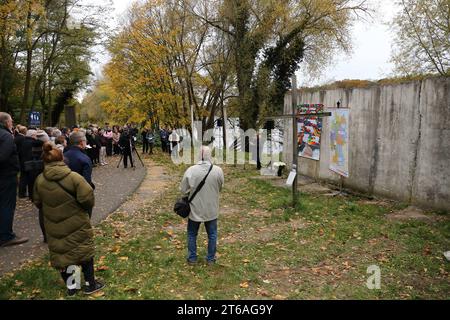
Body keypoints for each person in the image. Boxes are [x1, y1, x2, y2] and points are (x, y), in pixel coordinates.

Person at [33, 142, 105, 296]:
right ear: (62, 159)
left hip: (54, 224)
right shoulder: (74, 178)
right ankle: (89, 284)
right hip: (77, 221)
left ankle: (72, 286)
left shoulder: (39, 180)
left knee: (64, 254)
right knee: (83, 251)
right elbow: (88, 199)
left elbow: (37, 202)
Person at [180, 146, 224, 265]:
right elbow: (220, 187)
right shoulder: (218, 170)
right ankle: (210, 259)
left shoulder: (191, 170)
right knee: (212, 234)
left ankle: (192, 258)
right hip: (211, 208)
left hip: (195, 208)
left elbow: (183, 190)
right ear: (210, 156)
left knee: (192, 233)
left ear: (198, 156)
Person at [0, 112, 29, 247]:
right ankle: (6, 236)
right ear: (6, 122)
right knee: (7, 205)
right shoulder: (5, 136)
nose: (12, 123)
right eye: (11, 121)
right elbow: (3, 156)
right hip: (6, 176)